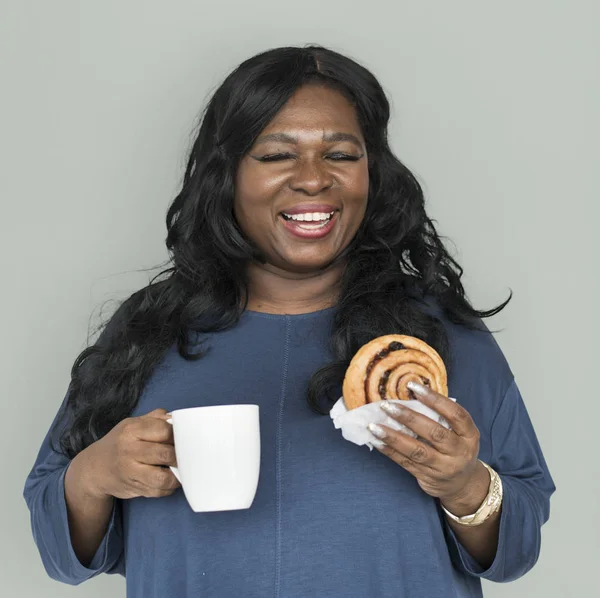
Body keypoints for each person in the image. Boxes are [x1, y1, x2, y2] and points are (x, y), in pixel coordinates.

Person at [23, 45, 554, 598]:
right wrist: (95, 474)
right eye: (277, 155)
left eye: (342, 155)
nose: (312, 180)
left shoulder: (436, 338)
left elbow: (516, 550)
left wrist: (464, 485)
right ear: (227, 174)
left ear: (372, 172)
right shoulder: (147, 331)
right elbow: (61, 555)